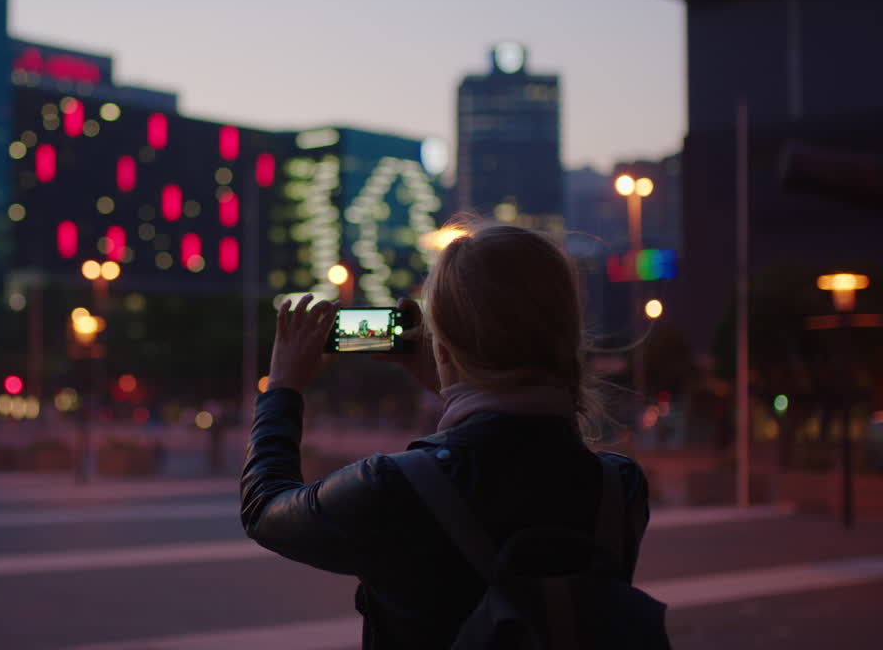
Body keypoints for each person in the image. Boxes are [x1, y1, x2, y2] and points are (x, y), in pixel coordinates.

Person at [240, 223, 651, 649]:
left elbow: (264, 508)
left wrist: (283, 388)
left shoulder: (393, 488)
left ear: (442, 349)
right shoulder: (619, 489)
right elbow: (519, 457)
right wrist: (452, 378)